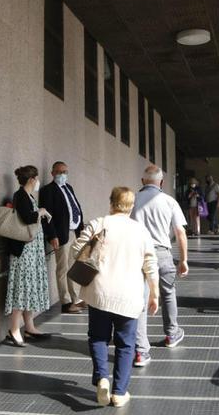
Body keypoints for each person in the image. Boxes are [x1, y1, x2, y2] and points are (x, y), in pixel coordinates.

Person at [72, 187, 160, 407]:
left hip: (99, 293)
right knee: (126, 345)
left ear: (111, 203)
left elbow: (76, 250)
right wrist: (154, 293)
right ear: (131, 207)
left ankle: (102, 377)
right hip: (129, 296)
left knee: (98, 338)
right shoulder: (140, 231)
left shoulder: (98, 223)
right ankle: (119, 393)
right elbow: (150, 264)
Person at [132, 165, 189, 367]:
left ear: (142, 181)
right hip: (162, 253)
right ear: (162, 182)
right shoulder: (169, 201)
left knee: (140, 299)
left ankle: (140, 351)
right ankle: (172, 334)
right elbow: (180, 233)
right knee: (168, 293)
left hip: (139, 254)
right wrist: (183, 260)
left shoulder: (133, 200)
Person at [4, 165, 53, 347]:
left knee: (29, 287)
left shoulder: (28, 196)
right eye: (36, 178)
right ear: (32, 179)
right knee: (22, 288)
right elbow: (27, 217)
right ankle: (14, 329)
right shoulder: (20, 195)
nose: (38, 181)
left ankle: (29, 327)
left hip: (31, 251)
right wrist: (41, 212)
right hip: (24, 252)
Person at [39, 161, 86, 314]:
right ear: (52, 173)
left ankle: (75, 298)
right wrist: (52, 235)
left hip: (73, 233)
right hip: (60, 236)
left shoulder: (68, 187)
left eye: (65, 172)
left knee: (73, 267)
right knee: (62, 269)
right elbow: (47, 216)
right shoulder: (48, 190)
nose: (62, 174)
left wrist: (81, 230)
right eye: (59, 172)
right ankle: (65, 302)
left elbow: (76, 208)